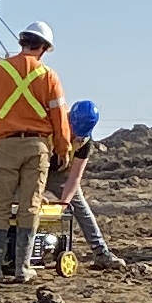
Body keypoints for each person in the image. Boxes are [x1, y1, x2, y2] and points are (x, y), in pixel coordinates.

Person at [0, 21, 73, 282]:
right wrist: (63, 148)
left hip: (5, 146)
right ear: (44, 48)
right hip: (37, 147)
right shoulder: (48, 76)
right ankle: (22, 268)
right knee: (30, 206)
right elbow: (59, 117)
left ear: (22, 42)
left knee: (0, 205)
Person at [59, 99, 117, 267]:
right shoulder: (50, 128)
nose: (77, 135)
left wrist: (64, 204)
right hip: (37, 171)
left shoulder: (85, 142)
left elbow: (75, 177)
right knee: (20, 206)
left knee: (81, 208)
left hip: (62, 174)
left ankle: (101, 252)